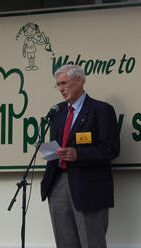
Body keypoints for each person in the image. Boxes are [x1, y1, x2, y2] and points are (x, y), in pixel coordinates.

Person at [40, 65, 120, 248]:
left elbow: (111, 149)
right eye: (58, 85)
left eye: (64, 83)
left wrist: (79, 154)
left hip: (88, 186)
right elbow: (59, 142)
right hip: (58, 182)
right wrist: (51, 151)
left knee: (91, 242)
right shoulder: (58, 111)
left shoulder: (101, 110)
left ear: (79, 80)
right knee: (65, 242)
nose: (61, 89)